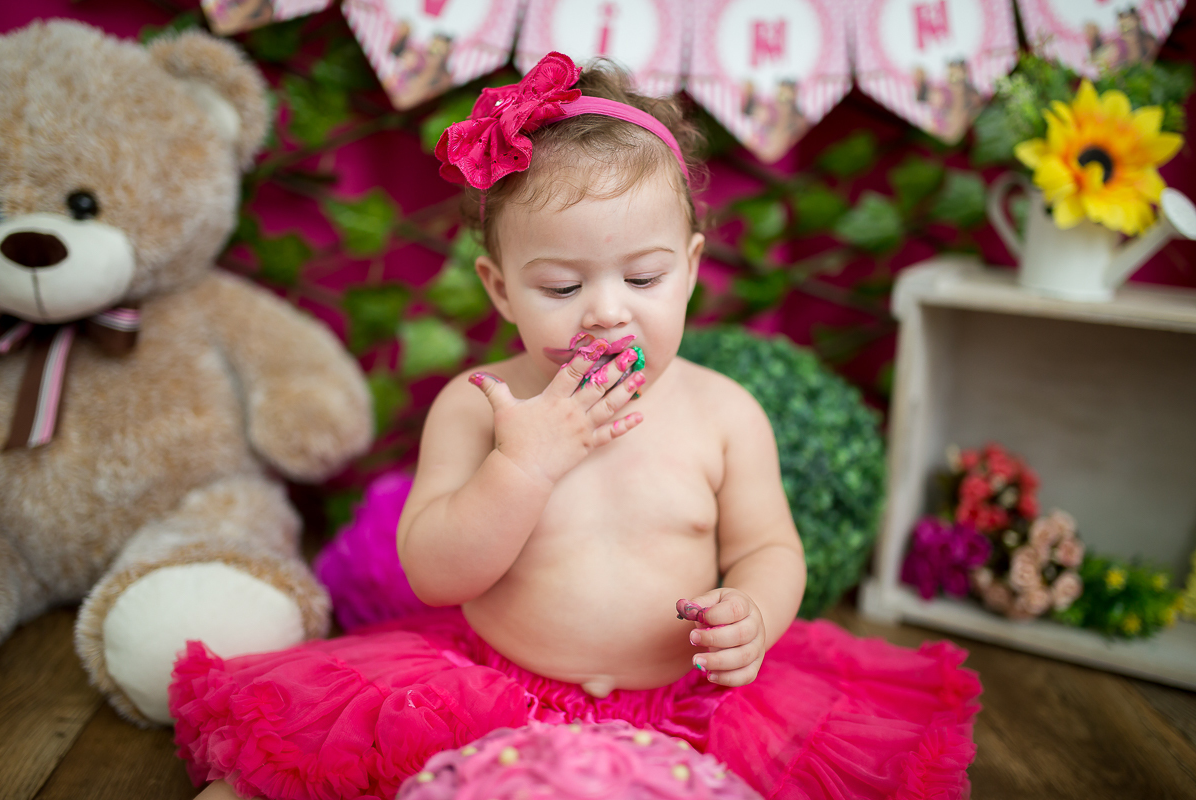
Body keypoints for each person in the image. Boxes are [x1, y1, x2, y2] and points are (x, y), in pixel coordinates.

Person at [173, 53, 980, 800]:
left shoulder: (723, 414)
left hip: (692, 705)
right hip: (493, 693)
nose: (605, 310)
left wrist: (757, 613)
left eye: (643, 276)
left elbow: (768, 547)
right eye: (560, 286)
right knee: (304, 770)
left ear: (691, 269)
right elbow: (434, 576)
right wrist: (522, 466)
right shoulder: (480, 404)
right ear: (499, 289)